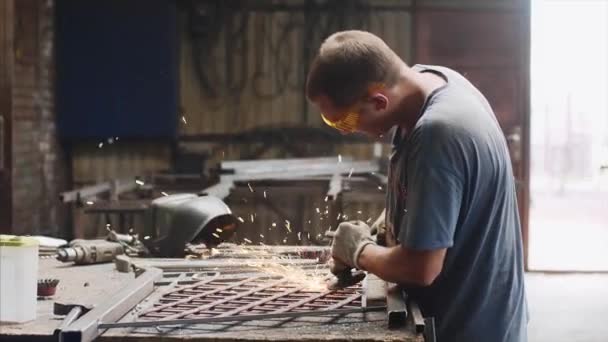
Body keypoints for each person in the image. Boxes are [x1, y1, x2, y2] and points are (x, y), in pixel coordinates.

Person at [306, 30, 528, 342]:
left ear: (379, 101)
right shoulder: (429, 83)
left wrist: (359, 251)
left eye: (343, 121)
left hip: (471, 328)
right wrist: (389, 224)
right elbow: (448, 197)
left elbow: (421, 268)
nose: (345, 132)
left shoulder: (438, 133)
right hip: (480, 316)